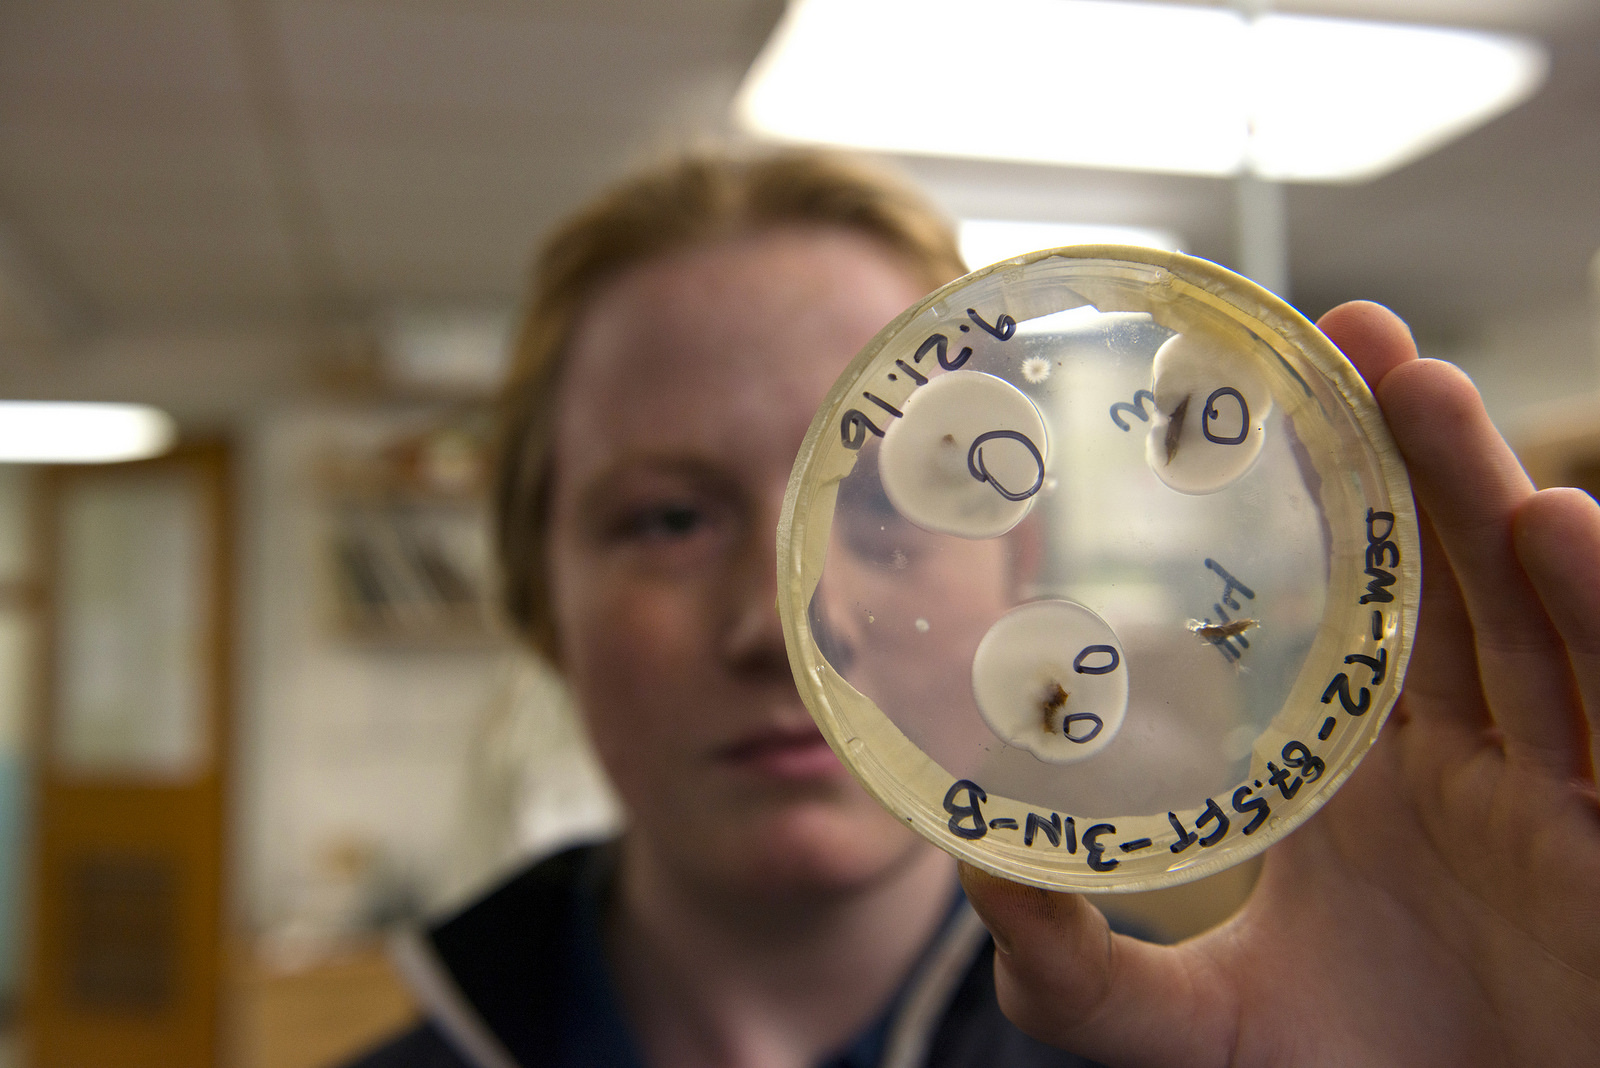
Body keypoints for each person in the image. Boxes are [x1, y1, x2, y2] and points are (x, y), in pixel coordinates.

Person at [348, 150, 1600, 1068]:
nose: (789, 626)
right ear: (535, 594)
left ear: (1021, 569)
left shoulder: (1234, 1045)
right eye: (670, 520)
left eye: (894, 503)